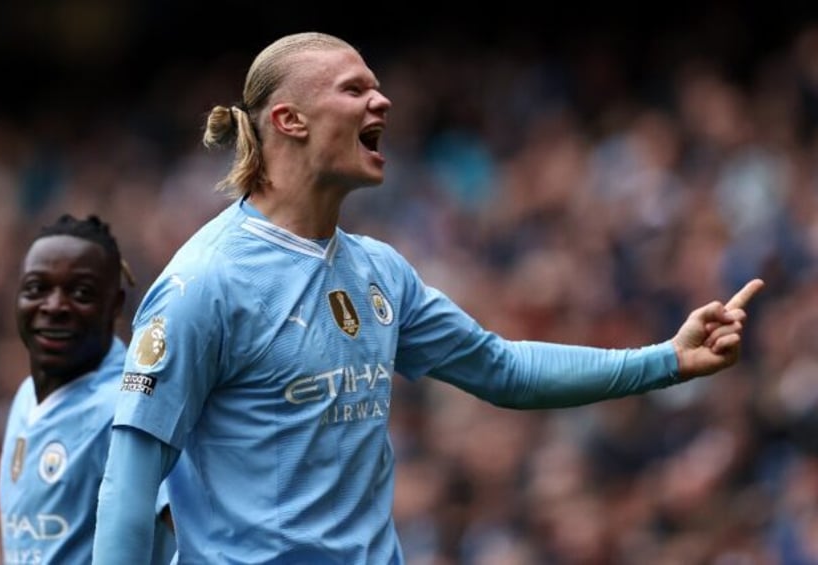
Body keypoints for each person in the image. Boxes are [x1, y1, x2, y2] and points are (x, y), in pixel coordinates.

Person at [92, 32, 764, 564]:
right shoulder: (204, 282)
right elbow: (129, 483)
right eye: (355, 89)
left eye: (378, 89)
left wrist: (666, 360)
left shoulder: (380, 271)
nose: (381, 103)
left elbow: (503, 368)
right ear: (288, 119)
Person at [0, 214, 176, 565]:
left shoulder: (128, 408)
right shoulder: (25, 397)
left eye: (80, 292)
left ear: (115, 305)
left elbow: (193, 534)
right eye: (37, 288)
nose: (54, 306)